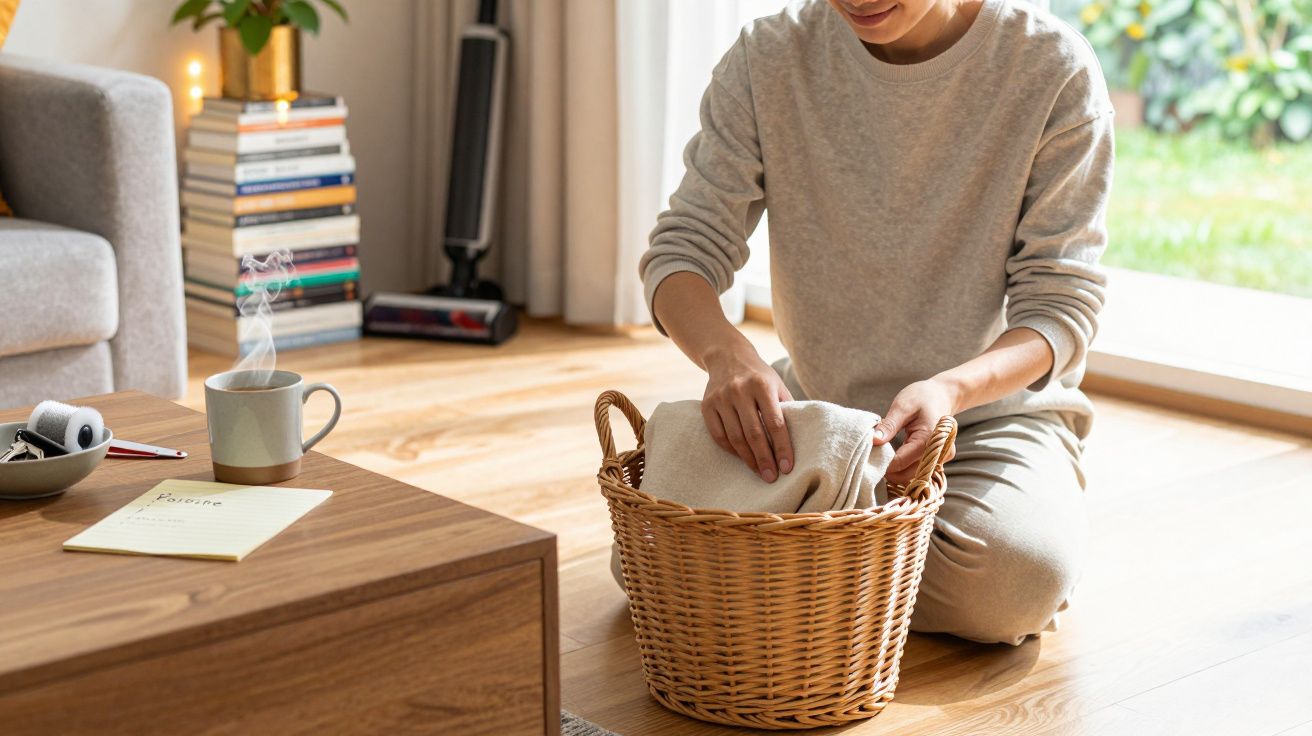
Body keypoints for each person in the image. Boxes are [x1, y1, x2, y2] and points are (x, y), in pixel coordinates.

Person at [638, 0, 1113, 645]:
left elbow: (1059, 308)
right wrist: (725, 353)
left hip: (988, 418)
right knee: (637, 556)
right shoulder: (769, 56)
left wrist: (951, 391)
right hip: (816, 414)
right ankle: (853, 559)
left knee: (1009, 581)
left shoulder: (1052, 68)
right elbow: (684, 249)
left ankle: (787, 571)